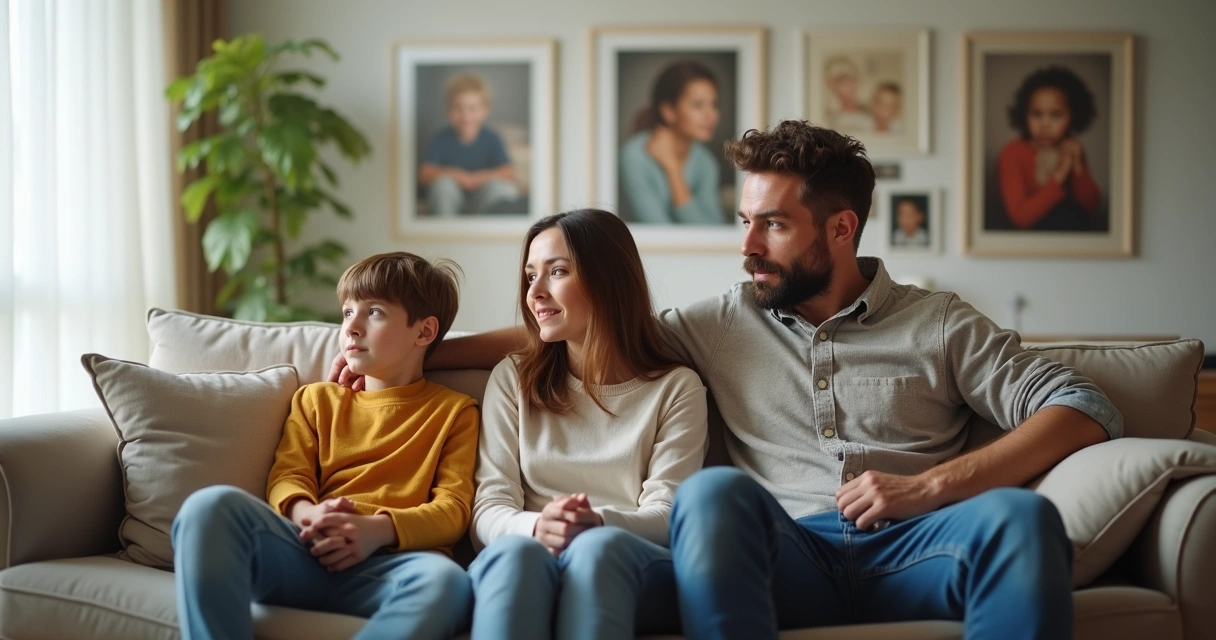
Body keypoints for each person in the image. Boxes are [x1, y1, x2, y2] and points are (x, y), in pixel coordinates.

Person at [375, 121, 1125, 639]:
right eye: (743, 221)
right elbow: (591, 321)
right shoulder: (724, 320)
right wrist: (420, 354)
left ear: (840, 229)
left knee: (1024, 521)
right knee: (710, 494)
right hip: (784, 554)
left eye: (772, 225)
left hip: (915, 548)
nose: (746, 247)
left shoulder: (939, 323)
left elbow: (1083, 405)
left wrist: (927, 488)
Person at [173, 252, 480, 640]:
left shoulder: (455, 412)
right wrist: (310, 516)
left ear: (423, 332)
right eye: (348, 311)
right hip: (305, 552)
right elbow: (288, 477)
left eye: (374, 313)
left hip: (390, 566)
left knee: (448, 582)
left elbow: (452, 510)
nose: (352, 327)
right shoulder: (316, 400)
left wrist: (375, 529)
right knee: (208, 506)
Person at [619, 61, 726, 225]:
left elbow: (714, 230)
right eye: (698, 105)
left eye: (714, 104)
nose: (711, 115)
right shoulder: (634, 156)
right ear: (668, 110)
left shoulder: (706, 162)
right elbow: (659, 231)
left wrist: (672, 167)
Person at [998, 66, 1103, 231]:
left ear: (1072, 116)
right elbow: (1021, 217)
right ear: (1024, 114)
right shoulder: (1012, 153)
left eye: (1056, 115)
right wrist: (1060, 175)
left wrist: (1078, 167)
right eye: (1037, 114)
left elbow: (1091, 203)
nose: (1045, 124)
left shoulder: (1072, 148)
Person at [419, 73, 520, 216]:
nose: (465, 116)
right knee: (442, 186)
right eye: (458, 108)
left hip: (481, 203)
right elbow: (424, 174)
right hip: (451, 204)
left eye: (472, 109)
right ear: (448, 109)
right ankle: (445, 233)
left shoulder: (492, 138)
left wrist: (477, 178)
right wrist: (457, 176)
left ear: (485, 110)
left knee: (504, 189)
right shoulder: (441, 138)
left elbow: (509, 173)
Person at [823, 56, 872, 133]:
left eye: (852, 80)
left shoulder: (871, 115)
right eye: (843, 83)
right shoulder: (829, 119)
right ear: (833, 87)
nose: (850, 86)